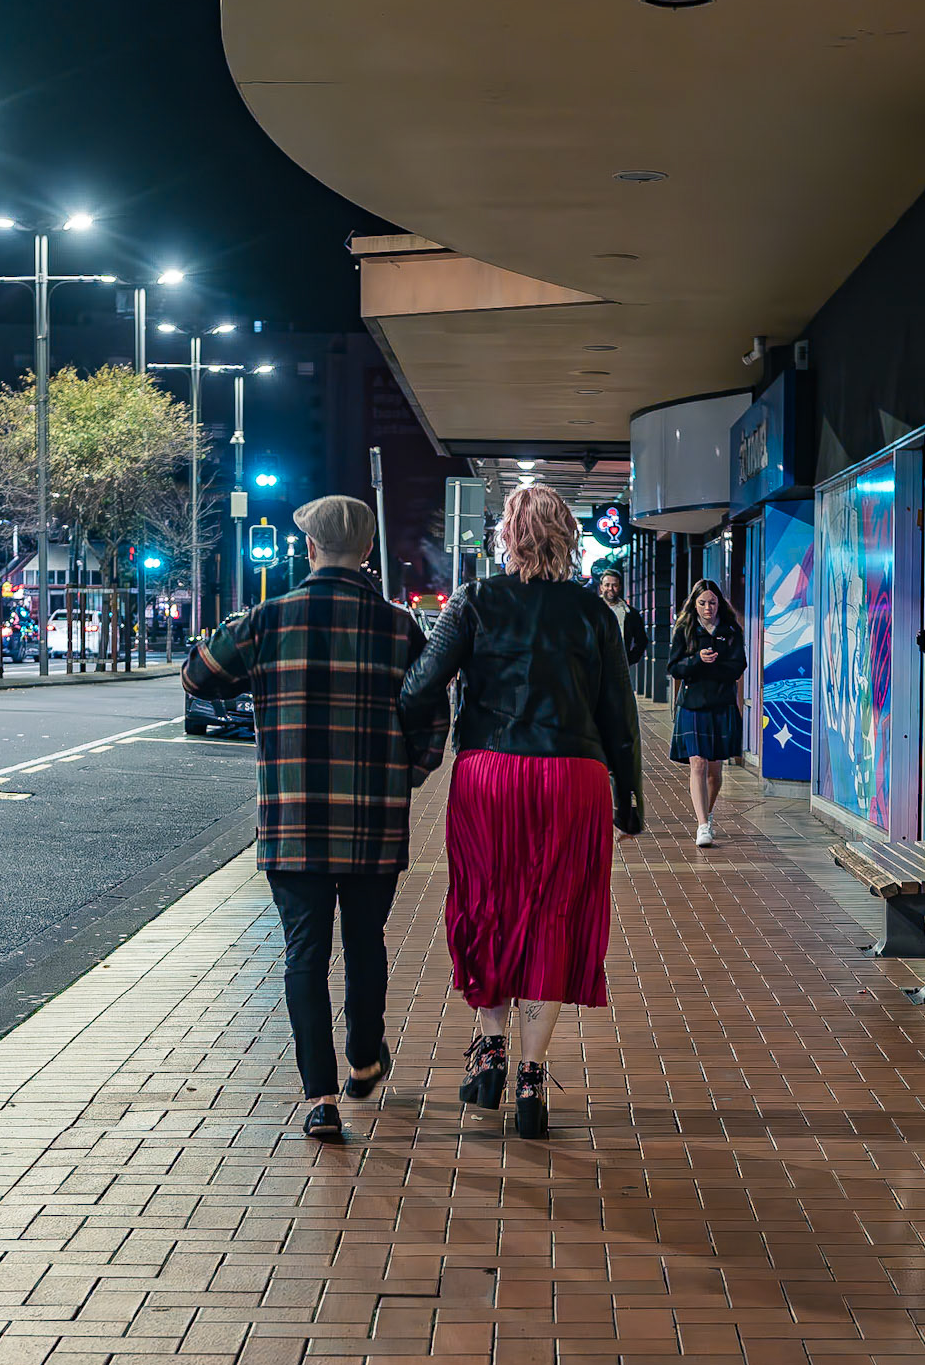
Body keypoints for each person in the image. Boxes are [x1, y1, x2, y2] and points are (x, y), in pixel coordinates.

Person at [182, 494, 447, 1140]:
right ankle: (364, 1058)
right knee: (366, 941)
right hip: (373, 818)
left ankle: (320, 1098)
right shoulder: (400, 629)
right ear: (368, 551)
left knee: (304, 952)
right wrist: (403, 776)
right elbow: (433, 718)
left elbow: (198, 677)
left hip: (294, 817)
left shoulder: (269, 618)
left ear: (308, 548)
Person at [400, 483, 643, 1138]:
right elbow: (619, 715)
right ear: (569, 539)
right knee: (556, 913)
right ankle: (532, 1079)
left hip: (491, 774)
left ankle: (490, 1051)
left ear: (507, 537)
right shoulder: (594, 612)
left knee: (487, 904)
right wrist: (629, 801)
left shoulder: (475, 600)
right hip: (573, 776)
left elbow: (420, 687)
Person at [668, 578, 746, 847]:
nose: (707, 608)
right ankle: (702, 825)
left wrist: (715, 666)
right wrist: (697, 661)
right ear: (694, 604)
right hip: (692, 704)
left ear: (719, 603)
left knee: (714, 770)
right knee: (698, 763)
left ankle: (708, 813)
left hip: (721, 704)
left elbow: (739, 666)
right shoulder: (685, 629)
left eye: (712, 603)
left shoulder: (731, 630)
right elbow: (674, 667)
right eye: (702, 603)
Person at [597, 567, 648, 667]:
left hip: (619, 666)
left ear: (620, 587)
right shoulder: (590, 610)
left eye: (614, 585)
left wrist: (629, 660)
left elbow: (642, 641)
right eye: (607, 585)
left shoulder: (631, 614)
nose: (610, 588)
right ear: (601, 587)